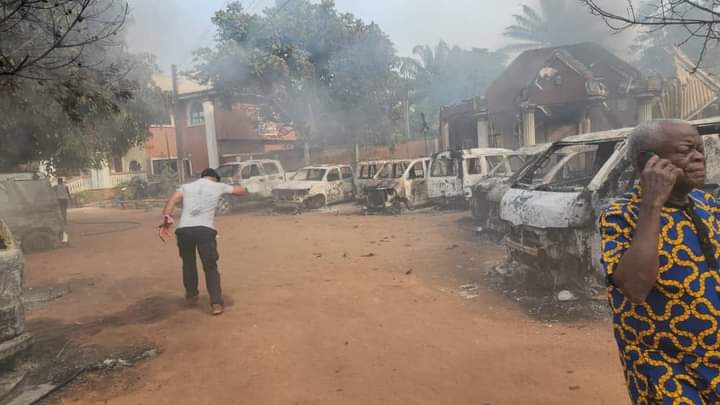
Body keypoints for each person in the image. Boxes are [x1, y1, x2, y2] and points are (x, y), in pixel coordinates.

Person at [600, 119, 720, 403]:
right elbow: (635, 287)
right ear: (649, 161)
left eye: (700, 149)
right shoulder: (621, 215)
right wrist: (652, 203)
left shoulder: (708, 205)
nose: (699, 157)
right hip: (666, 368)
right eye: (686, 150)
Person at [159, 168, 246, 315]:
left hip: (184, 230)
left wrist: (166, 224)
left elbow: (172, 200)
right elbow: (240, 191)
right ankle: (216, 303)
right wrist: (243, 187)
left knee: (188, 264)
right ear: (215, 178)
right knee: (210, 266)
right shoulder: (218, 186)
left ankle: (191, 296)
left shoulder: (186, 187)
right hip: (205, 230)